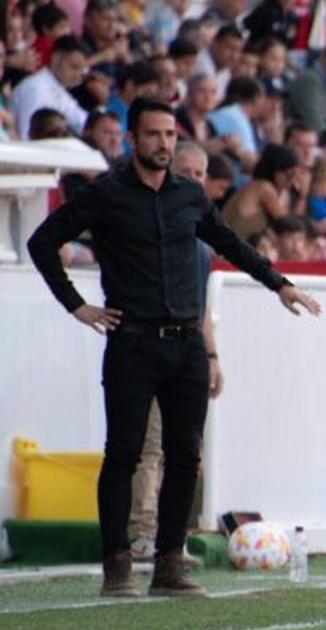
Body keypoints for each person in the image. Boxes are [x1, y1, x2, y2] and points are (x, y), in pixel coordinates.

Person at [26, 97, 321, 599]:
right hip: (133, 342)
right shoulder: (106, 194)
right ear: (133, 138)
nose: (162, 144)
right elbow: (41, 242)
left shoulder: (189, 196)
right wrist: (77, 305)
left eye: (168, 135)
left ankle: (169, 562)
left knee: (186, 457)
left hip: (186, 344)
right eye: (153, 135)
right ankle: (117, 564)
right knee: (123, 454)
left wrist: (280, 284)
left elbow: (231, 244)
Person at [127, 143, 223, 567]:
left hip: (187, 355)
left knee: (183, 450)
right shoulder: (148, 231)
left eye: (201, 174)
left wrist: (213, 357)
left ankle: (170, 539)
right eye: (187, 172)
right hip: (148, 351)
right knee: (148, 447)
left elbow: (200, 308)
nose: (194, 180)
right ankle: (142, 534)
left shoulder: (201, 247)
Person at [11, 35, 90, 139]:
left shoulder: (60, 91)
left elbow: (83, 122)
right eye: (74, 67)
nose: (78, 76)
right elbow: (26, 134)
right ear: (56, 58)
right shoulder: (36, 88)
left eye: (82, 71)